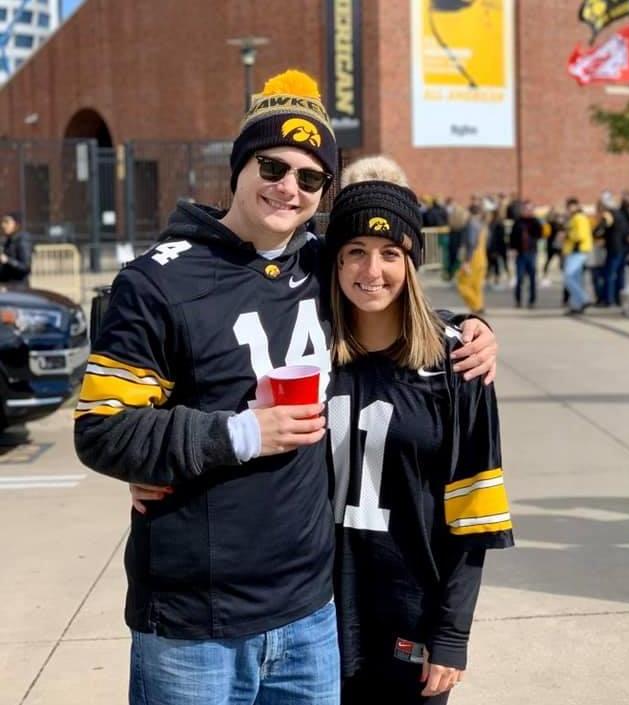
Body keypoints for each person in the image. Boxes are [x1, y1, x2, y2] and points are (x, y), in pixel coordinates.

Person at [75, 71, 499, 705]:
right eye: (272, 167)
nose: (288, 187)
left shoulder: (319, 264)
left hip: (309, 617)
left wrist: (468, 328)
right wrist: (238, 434)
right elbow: (103, 429)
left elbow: (382, 284)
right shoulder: (159, 281)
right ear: (240, 166)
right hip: (197, 623)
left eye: (310, 177)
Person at [324, 157, 514, 704]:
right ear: (335, 260)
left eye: (390, 253)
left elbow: (474, 512)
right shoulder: (306, 348)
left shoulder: (458, 362)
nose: (372, 270)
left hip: (410, 610)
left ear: (412, 261)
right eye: (355, 251)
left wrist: (451, 633)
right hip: (311, 614)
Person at [562, 197, 594, 314]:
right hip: (575, 251)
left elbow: (580, 235)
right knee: (575, 279)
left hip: (577, 250)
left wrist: (567, 234)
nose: (569, 209)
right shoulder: (575, 218)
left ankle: (584, 298)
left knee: (568, 277)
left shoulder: (578, 218)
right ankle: (577, 305)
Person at [509, 200, 542, 308]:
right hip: (520, 253)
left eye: (530, 209)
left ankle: (532, 301)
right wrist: (512, 249)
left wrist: (534, 220)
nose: (527, 211)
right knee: (519, 278)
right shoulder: (518, 222)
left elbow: (539, 234)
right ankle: (518, 300)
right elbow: (512, 236)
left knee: (532, 278)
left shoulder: (535, 221)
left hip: (531, 253)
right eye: (526, 209)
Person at [0, 211, 32, 286]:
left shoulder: (22, 240)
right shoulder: (8, 240)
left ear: (17, 225)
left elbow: (25, 267)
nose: (3, 225)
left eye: (7, 222)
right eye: (3, 222)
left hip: (19, 288)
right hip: (7, 286)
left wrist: (7, 260)